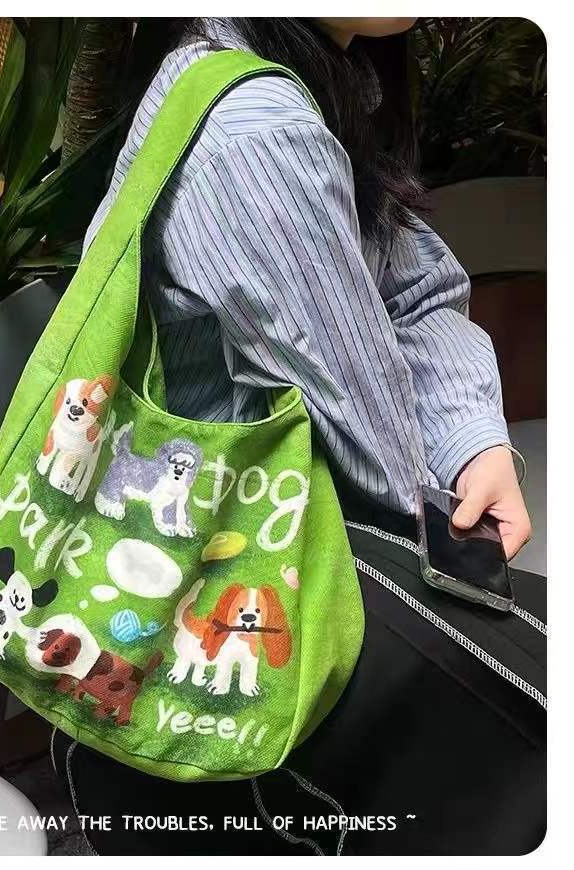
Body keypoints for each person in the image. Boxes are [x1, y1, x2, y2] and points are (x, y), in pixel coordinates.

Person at [47, 18, 544, 855]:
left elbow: (412, 288)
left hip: (262, 544)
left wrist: (472, 439)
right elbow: (379, 461)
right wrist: (449, 503)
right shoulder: (258, 130)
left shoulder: (305, 71)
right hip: (239, 568)